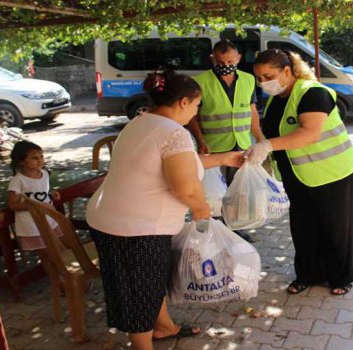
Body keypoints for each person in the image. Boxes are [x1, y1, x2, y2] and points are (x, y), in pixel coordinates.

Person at [86, 70, 244, 350]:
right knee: (140, 291)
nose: (196, 112)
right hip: (135, 227)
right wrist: (202, 208)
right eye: (196, 105)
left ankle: (164, 327)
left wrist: (224, 158)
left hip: (110, 217)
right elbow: (184, 187)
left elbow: (180, 162)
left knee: (149, 279)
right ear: (183, 102)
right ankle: (143, 345)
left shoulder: (142, 121)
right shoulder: (174, 133)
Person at [246, 49, 353, 296]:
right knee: (303, 227)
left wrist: (267, 146)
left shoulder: (313, 93)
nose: (263, 83)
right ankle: (308, 274)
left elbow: (310, 133)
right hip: (297, 175)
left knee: (336, 226)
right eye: (259, 78)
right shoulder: (278, 98)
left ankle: (341, 277)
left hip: (333, 173)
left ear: (287, 71)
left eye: (269, 76)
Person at [188, 39, 264, 242]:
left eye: (230, 60)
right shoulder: (200, 82)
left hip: (241, 145)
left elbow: (252, 112)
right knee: (213, 193)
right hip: (213, 148)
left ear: (238, 58)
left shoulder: (248, 80)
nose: (226, 65)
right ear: (213, 59)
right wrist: (200, 139)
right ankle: (214, 231)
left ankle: (235, 230)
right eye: (220, 61)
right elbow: (193, 115)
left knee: (238, 191)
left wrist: (260, 140)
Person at [7, 140, 62, 274]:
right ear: (21, 161)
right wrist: (33, 206)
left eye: (41, 157)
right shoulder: (17, 180)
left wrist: (50, 194)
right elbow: (13, 204)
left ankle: (66, 277)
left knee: (58, 250)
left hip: (49, 219)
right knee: (46, 255)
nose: (40, 161)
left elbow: (39, 193)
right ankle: (60, 282)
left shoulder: (45, 174)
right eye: (34, 158)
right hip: (32, 225)